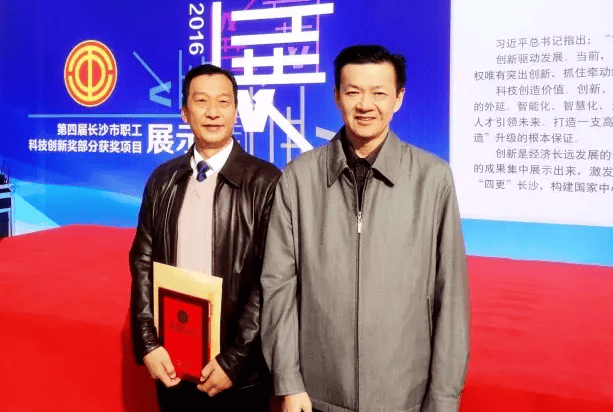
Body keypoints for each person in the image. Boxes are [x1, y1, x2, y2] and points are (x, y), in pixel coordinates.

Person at [261, 45, 470, 412]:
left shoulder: (433, 178)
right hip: (317, 398)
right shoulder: (299, 177)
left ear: (399, 98)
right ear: (337, 96)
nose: (365, 105)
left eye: (379, 93)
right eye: (353, 92)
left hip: (405, 399)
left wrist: (443, 399)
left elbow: (451, 295)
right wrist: (288, 380)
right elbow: (278, 286)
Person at [129, 64, 280, 411]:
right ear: (185, 112)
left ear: (236, 111)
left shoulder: (266, 182)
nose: (213, 112)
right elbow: (142, 263)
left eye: (223, 102)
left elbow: (271, 278)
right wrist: (148, 342)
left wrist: (235, 359)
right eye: (201, 101)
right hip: (173, 364)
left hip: (238, 375)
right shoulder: (162, 180)